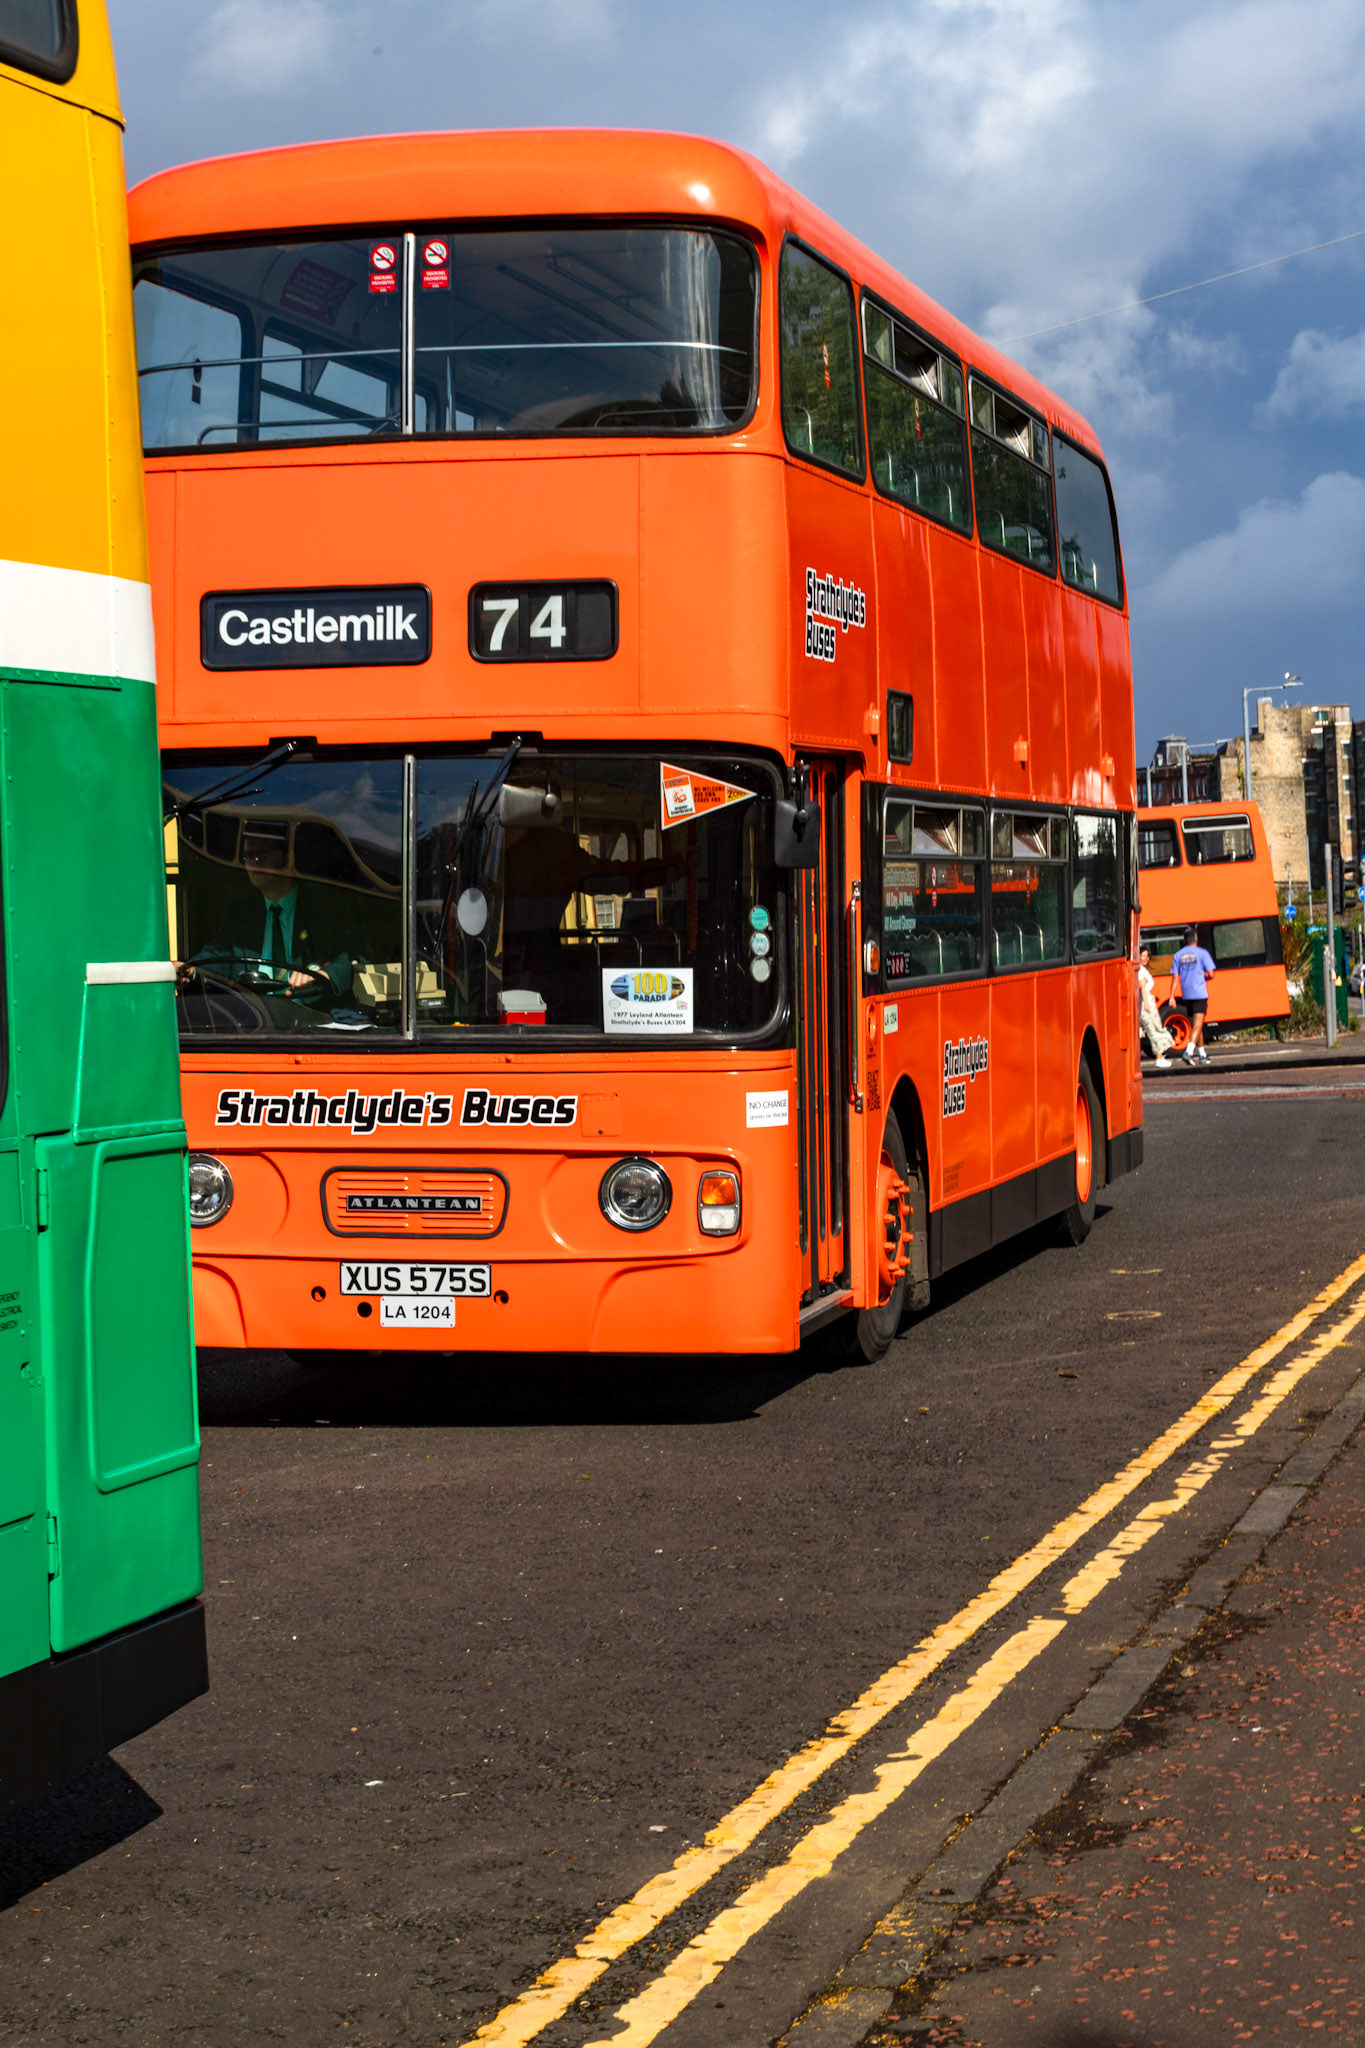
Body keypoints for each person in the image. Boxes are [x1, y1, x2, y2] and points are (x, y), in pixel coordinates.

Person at [186, 821, 357, 1007]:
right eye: (248, 856)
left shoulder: (323, 909)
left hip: (312, 1020)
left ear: (288, 858)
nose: (253, 862)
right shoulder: (238, 915)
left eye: (261, 855)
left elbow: (353, 957)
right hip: (255, 1018)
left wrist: (326, 974)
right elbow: (218, 955)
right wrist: (190, 969)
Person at [1171, 923, 1217, 1066]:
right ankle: (1189, 1051)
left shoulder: (1178, 955)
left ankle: (1202, 1054)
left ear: (1184, 941)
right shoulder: (1202, 953)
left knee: (1197, 1025)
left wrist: (1172, 996)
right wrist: (1205, 978)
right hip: (1199, 992)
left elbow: (1174, 977)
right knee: (1198, 1024)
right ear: (1196, 939)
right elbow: (1211, 973)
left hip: (1186, 993)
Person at [1137, 946, 1174, 1067]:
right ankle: (1159, 1058)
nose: (1145, 958)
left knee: (1148, 1030)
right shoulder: (1141, 971)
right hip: (1146, 1002)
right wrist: (1147, 1004)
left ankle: (1159, 1056)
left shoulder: (1140, 969)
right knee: (1154, 1029)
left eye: (1147, 956)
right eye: (1142, 955)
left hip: (1145, 1001)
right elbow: (1142, 986)